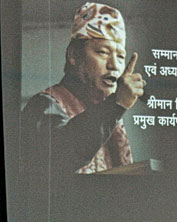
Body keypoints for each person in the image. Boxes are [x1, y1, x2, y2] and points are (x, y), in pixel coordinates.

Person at [20, 2, 146, 176]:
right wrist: (116, 104)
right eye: (103, 52)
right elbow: (61, 154)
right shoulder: (43, 105)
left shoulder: (111, 119)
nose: (114, 65)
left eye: (120, 56)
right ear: (73, 55)